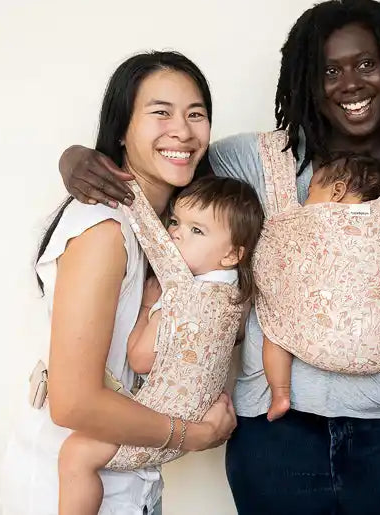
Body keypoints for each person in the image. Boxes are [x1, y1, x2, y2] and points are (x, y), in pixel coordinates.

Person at [52, 0, 380, 513]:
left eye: (367, 64)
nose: (351, 83)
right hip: (276, 435)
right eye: (330, 70)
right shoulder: (250, 162)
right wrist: (75, 157)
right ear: (307, 80)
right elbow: (163, 164)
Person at [2, 51, 236, 515]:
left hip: (131, 483)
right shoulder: (104, 229)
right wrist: (197, 435)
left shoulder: (176, 227)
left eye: (196, 114)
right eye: (160, 113)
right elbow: (73, 404)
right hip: (64, 485)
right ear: (122, 130)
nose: (183, 131)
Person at [58, 175, 262, 515]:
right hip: (200, 413)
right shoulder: (232, 296)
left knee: (75, 455)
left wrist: (146, 308)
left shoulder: (186, 297)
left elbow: (140, 359)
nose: (177, 233)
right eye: (175, 222)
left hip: (173, 423)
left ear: (231, 254)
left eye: (197, 230)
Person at [257, 151, 380, 422]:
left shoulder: (323, 220)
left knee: (274, 329)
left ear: (337, 192)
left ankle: (280, 394)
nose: (304, 202)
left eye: (309, 193)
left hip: (316, 311)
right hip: (369, 323)